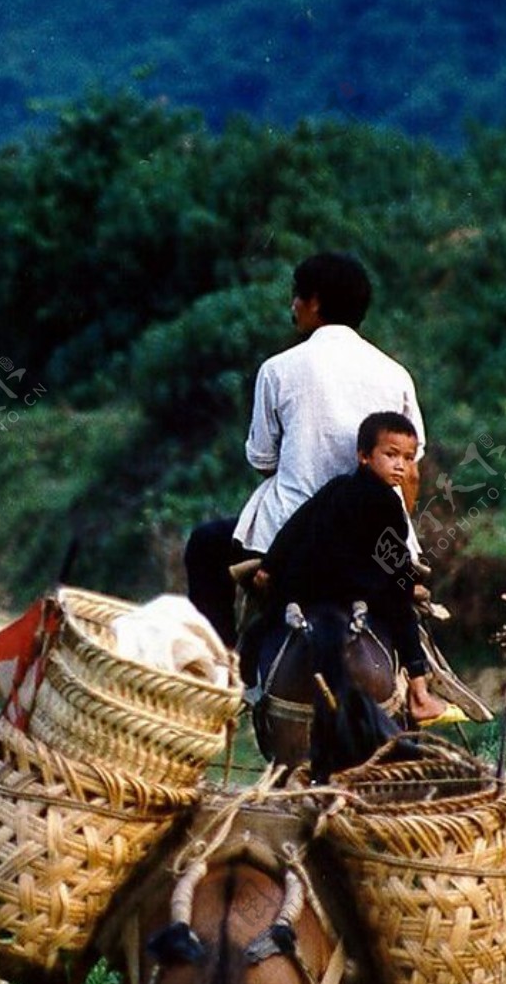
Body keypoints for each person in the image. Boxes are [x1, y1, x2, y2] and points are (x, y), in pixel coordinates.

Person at [184, 250, 425, 645]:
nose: (292, 306)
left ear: (314, 302)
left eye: (297, 296)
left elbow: (262, 459)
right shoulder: (396, 374)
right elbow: (410, 464)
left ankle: (220, 667)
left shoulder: (278, 369)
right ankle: (417, 680)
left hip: (289, 534)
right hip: (377, 536)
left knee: (206, 543)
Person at [252, 411, 462, 726]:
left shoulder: (337, 487)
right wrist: (408, 586)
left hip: (307, 585)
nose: (400, 465)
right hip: (356, 586)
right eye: (390, 455)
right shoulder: (389, 503)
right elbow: (394, 558)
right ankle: (419, 694)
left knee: (267, 618)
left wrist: (269, 565)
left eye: (407, 457)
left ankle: (246, 672)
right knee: (403, 614)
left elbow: (297, 525)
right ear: (364, 456)